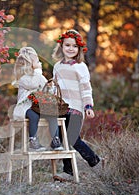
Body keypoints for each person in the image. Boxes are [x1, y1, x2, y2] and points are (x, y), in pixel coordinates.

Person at [52, 29, 101, 180]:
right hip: (61, 107)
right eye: (67, 45)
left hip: (76, 108)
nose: (70, 48)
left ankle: (95, 161)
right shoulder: (57, 66)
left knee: (72, 137)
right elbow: (55, 86)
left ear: (79, 49)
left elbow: (86, 88)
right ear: (62, 46)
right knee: (62, 139)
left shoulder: (80, 67)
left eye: (74, 46)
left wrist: (88, 106)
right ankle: (68, 172)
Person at [12, 46, 64, 151]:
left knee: (52, 114)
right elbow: (33, 84)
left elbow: (45, 88)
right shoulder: (23, 78)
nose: (39, 62)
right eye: (37, 61)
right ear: (29, 64)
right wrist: (38, 71)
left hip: (39, 106)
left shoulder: (38, 76)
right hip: (26, 108)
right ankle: (33, 140)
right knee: (33, 115)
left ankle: (55, 140)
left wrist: (50, 89)